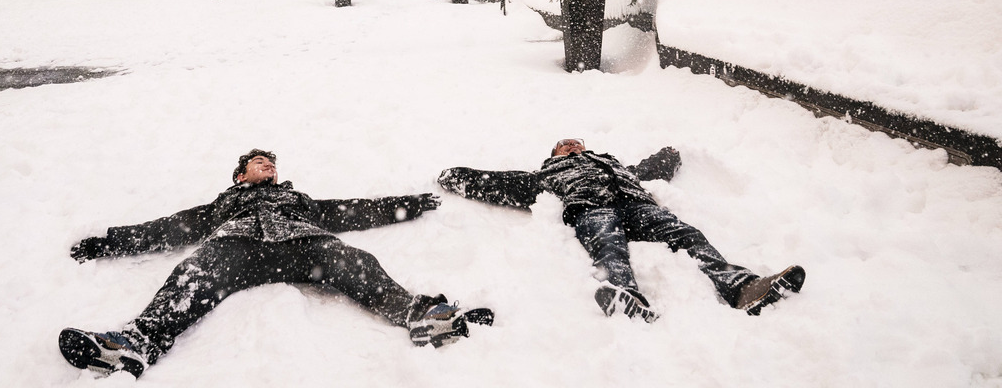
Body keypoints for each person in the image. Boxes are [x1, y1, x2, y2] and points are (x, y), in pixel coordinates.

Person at [59, 149, 491, 378]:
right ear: (240, 176)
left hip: (304, 247)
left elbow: (350, 210)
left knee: (354, 259)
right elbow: (173, 227)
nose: (268, 165)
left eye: (271, 162)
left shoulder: (297, 200)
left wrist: (407, 204)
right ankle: (136, 343)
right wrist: (109, 242)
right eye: (258, 162)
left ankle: (422, 317)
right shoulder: (224, 205)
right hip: (238, 249)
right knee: (195, 271)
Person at [438, 138, 805, 323]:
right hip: (592, 209)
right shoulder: (546, 176)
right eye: (564, 145)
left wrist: (671, 153)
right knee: (607, 244)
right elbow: (498, 183)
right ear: (553, 156)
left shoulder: (617, 166)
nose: (572, 145)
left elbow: (652, 167)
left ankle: (742, 287)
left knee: (687, 234)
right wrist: (454, 177)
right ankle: (625, 294)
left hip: (640, 207)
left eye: (577, 142)